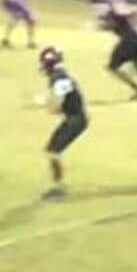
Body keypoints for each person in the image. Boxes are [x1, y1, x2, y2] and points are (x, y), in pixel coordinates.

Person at [38, 47, 87, 202]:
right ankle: (58, 186)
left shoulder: (57, 79)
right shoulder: (62, 76)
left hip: (75, 120)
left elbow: (55, 107)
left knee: (53, 152)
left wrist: (46, 103)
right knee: (52, 150)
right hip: (75, 118)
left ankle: (58, 189)